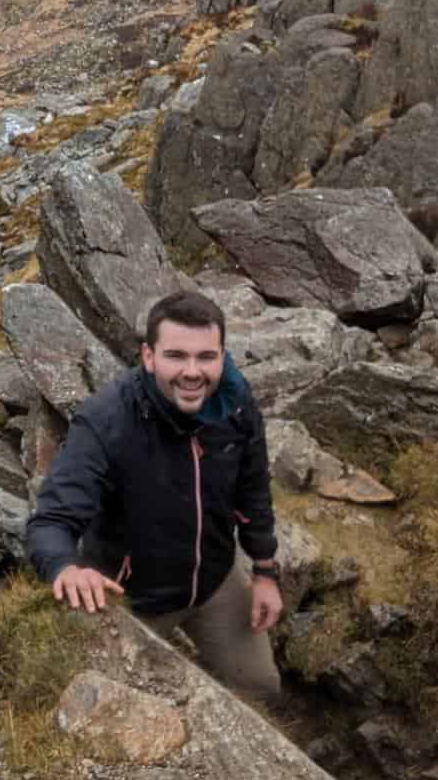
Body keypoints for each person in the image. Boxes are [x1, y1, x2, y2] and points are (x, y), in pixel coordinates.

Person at [25, 290, 283, 705]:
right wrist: (65, 568)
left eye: (206, 357)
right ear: (148, 356)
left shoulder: (235, 406)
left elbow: (252, 492)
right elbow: (51, 520)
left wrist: (266, 573)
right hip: (131, 595)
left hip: (213, 578)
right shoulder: (107, 421)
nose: (192, 372)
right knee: (108, 707)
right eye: (176, 356)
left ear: (221, 356)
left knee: (262, 688)